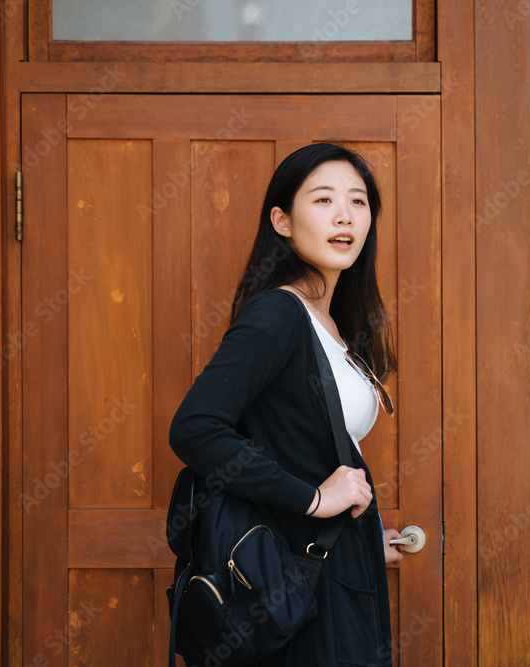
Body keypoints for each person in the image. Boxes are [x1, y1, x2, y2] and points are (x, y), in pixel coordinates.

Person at [169, 143, 404, 666]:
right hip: (292, 579)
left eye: (359, 202)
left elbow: (304, 443)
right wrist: (312, 500)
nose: (345, 215)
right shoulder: (278, 314)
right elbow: (195, 427)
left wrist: (364, 535)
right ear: (282, 220)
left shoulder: (332, 323)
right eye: (323, 200)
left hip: (335, 562)